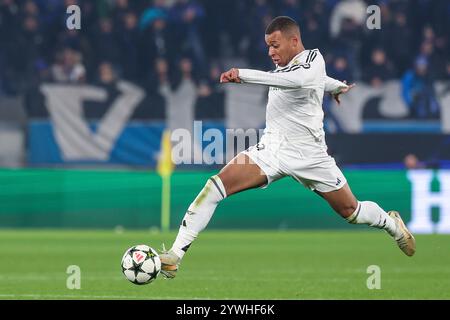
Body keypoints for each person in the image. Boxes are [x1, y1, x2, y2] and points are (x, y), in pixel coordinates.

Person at [159, 16, 416, 279]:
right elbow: (313, 81)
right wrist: (334, 86)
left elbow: (301, 80)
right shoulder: (286, 70)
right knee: (215, 186)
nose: (271, 52)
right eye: (268, 46)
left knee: (351, 211)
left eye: (275, 45)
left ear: (294, 41)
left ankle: (391, 224)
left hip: (310, 155)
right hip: (272, 149)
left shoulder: (313, 59)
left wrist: (242, 75)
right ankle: (175, 256)